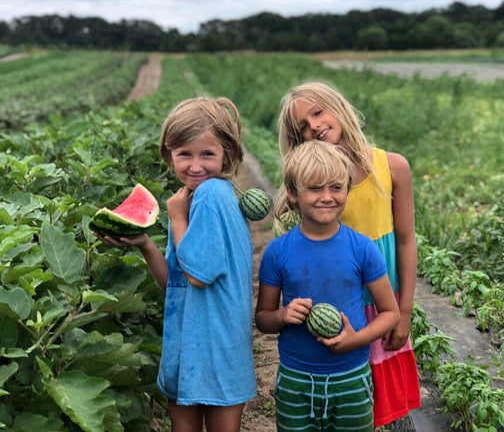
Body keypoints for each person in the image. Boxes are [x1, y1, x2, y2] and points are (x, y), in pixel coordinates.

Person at [94, 97, 256, 432]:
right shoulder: (191, 199)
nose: (196, 166)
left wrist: (177, 219)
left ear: (227, 153)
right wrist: (145, 244)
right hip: (189, 346)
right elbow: (176, 281)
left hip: (215, 346)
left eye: (207, 154)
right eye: (185, 154)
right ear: (169, 155)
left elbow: (198, 276)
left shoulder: (209, 195)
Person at [276, 81, 421, 429]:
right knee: (341, 399)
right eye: (302, 128)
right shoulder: (307, 185)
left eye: (317, 112)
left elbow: (405, 241)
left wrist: (403, 312)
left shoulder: (393, 167)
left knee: (381, 410)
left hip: (382, 305)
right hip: (338, 309)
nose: (313, 125)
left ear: (338, 107)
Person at [255, 139, 400, 431]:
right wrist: (282, 316)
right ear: (293, 193)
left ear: (347, 189)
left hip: (351, 377)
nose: (327, 197)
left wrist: (355, 340)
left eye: (336, 187)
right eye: (315, 188)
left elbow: (390, 313)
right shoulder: (277, 251)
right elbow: (263, 319)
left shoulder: (362, 248)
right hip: (296, 379)